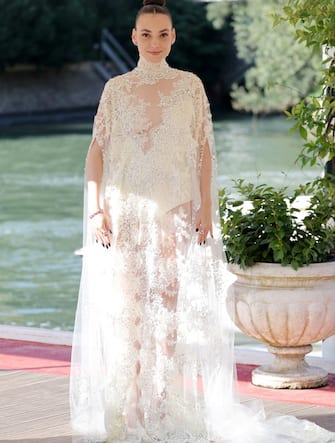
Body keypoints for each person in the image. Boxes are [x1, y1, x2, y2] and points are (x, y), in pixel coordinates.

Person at [70, 1, 335, 442]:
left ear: (174, 37)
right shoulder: (115, 88)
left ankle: (162, 404)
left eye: (163, 33)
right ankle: (130, 407)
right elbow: (96, 152)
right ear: (134, 37)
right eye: (147, 34)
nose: (155, 42)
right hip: (127, 219)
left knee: (167, 317)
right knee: (131, 315)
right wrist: (97, 209)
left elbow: (205, 151)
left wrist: (206, 210)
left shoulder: (190, 86)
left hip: (174, 215)